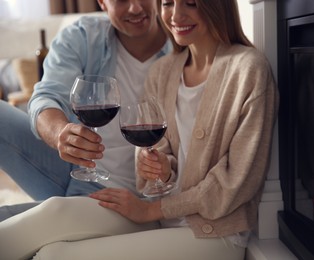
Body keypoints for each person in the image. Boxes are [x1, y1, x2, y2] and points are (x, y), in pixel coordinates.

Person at [0, 0, 279, 259]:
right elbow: (163, 157)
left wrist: (152, 208)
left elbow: (236, 182)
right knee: (52, 215)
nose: (176, 15)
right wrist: (159, 168)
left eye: (191, 3)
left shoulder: (248, 69)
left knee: (53, 255)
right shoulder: (165, 70)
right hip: (150, 213)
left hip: (211, 230)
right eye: (169, 2)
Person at [0, 0, 171, 219]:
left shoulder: (183, 48)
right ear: (102, 2)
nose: (135, 8)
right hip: (76, 173)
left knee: (11, 223)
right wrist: (59, 133)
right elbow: (47, 96)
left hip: (131, 197)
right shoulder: (83, 36)